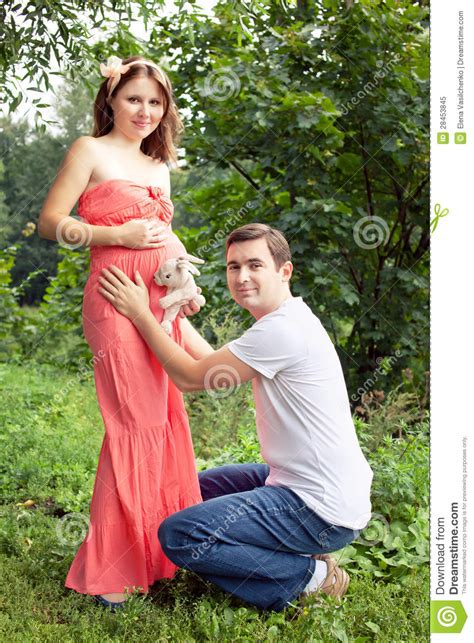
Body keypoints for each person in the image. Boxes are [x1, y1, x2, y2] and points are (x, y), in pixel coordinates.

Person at [98, 222, 374, 611]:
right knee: (185, 491)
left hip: (319, 507)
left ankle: (307, 578)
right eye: (233, 266)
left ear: (284, 271)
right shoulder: (282, 322)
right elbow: (214, 363)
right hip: (300, 482)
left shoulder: (283, 331)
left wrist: (140, 313)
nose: (242, 276)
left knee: (181, 533)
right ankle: (290, 557)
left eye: (255, 265)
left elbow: (192, 377)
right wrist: (171, 313)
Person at [38, 55, 211, 608]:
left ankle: (162, 554)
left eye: (156, 103)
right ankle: (111, 570)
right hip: (115, 299)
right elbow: (50, 224)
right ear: (111, 98)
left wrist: (185, 281)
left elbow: (163, 237)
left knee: (164, 418)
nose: (145, 111)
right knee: (131, 423)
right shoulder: (89, 151)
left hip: (158, 303)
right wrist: (115, 233)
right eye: (134, 98)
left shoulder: (159, 165)